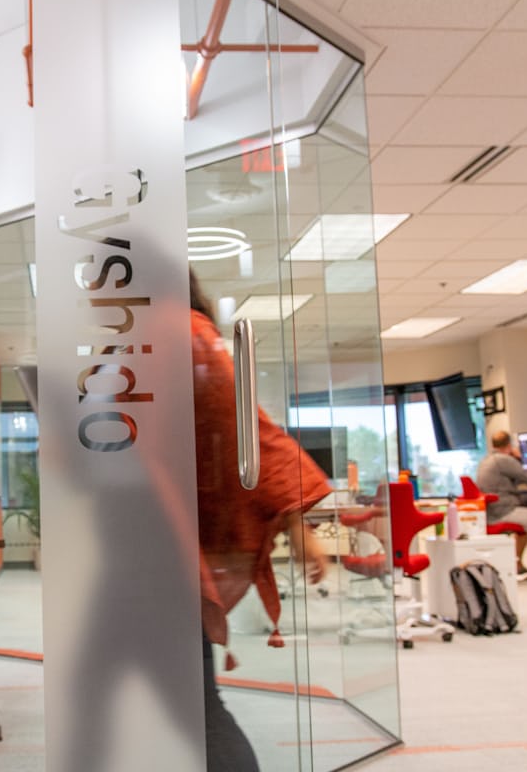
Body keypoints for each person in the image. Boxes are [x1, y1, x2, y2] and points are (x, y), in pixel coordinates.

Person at [190, 269, 332, 771]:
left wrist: (295, 520)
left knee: (197, 706)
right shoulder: (166, 336)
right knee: (180, 701)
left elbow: (248, 433)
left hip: (162, 557)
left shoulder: (182, 335)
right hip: (151, 552)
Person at [476, 430, 527, 577]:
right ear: (510, 445)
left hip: (491, 512)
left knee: (522, 530)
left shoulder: (486, 460)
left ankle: (517, 566)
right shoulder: (503, 460)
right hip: (503, 511)